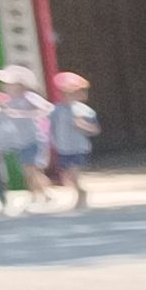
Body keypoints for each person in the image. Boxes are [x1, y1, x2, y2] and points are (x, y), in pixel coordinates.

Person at [0, 67, 51, 215]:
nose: (4, 86)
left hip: (33, 139)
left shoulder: (29, 97)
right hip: (20, 142)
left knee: (31, 170)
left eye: (8, 83)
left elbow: (48, 108)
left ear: (21, 85)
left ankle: (39, 196)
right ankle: (43, 194)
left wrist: (21, 113)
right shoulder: (8, 101)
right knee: (28, 171)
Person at [45, 72, 98, 211]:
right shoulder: (56, 110)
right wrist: (51, 142)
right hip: (63, 147)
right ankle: (78, 191)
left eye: (71, 93)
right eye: (64, 92)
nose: (66, 96)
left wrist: (83, 125)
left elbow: (95, 129)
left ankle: (81, 195)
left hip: (78, 147)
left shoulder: (84, 111)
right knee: (66, 176)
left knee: (73, 173)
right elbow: (51, 126)